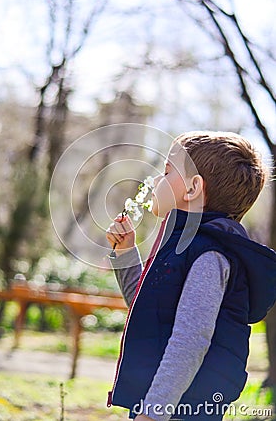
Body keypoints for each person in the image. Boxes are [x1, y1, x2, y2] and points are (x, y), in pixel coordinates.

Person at [105, 131, 276, 421]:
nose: (157, 180)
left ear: (193, 188)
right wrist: (126, 254)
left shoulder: (209, 255)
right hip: (167, 400)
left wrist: (153, 412)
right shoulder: (181, 245)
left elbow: (190, 341)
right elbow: (147, 307)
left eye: (167, 171)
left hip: (183, 407)